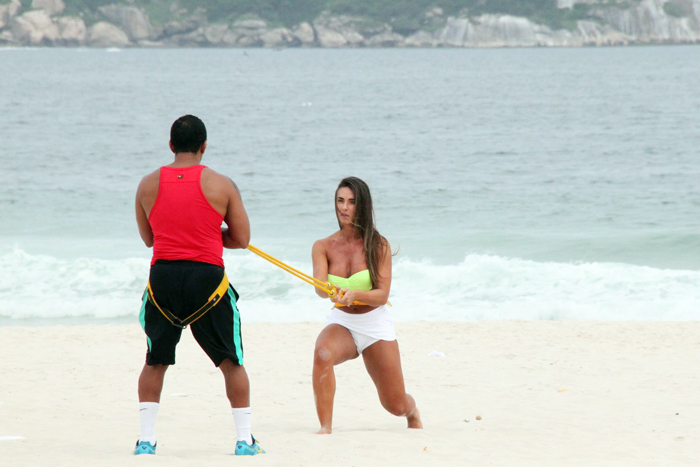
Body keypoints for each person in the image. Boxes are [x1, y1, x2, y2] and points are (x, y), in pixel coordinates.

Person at [133, 115, 264, 456]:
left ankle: (146, 441)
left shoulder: (146, 185)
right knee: (230, 361)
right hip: (207, 281)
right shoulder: (222, 185)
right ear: (204, 147)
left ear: (171, 145)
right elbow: (242, 238)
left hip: (163, 279)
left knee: (155, 361)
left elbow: (149, 239)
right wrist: (208, 233)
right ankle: (244, 440)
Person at [311, 176, 423, 434]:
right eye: (340, 201)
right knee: (322, 354)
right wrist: (328, 290)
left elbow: (382, 295)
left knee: (395, 405)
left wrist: (355, 295)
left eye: (351, 202)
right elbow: (319, 288)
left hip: (374, 323)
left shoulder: (378, 244)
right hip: (343, 322)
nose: (344, 207)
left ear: (362, 206)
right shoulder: (322, 246)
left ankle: (413, 410)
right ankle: (325, 428)